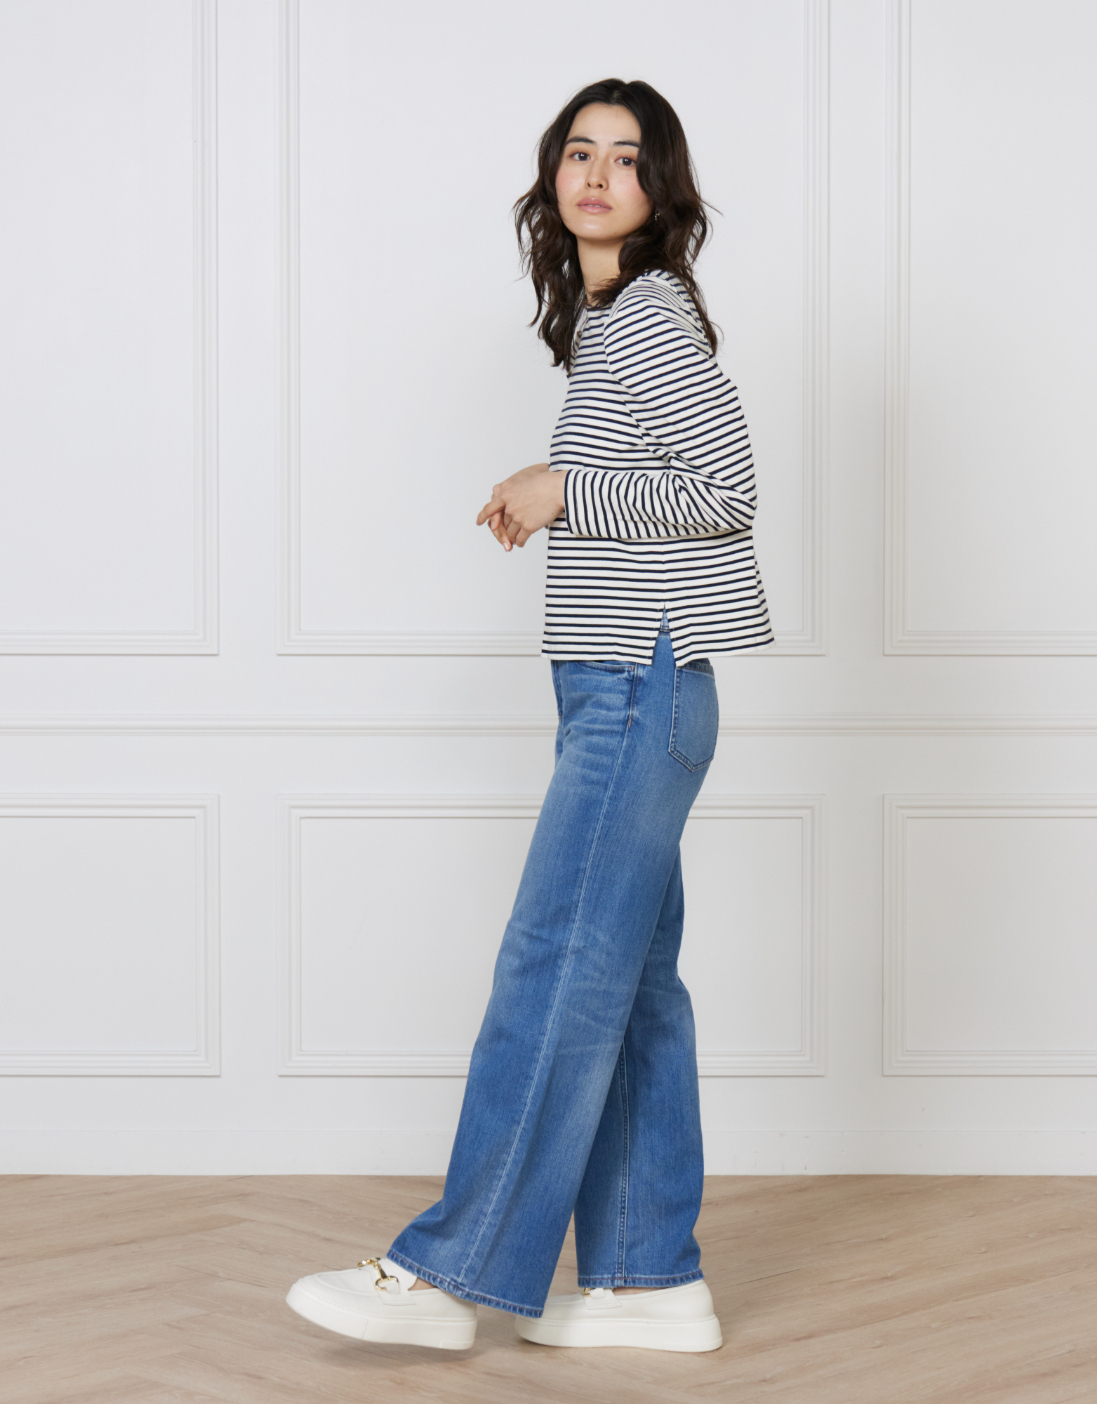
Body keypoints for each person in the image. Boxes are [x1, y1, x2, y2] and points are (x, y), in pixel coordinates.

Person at [287, 77, 773, 1354]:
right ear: (555, 177)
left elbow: (727, 490)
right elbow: (653, 485)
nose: (598, 174)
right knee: (634, 989)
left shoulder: (650, 315)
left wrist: (564, 487)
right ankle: (649, 1279)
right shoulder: (610, 322)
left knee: (554, 966)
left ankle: (450, 1273)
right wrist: (561, 489)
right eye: (579, 152)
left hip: (640, 687)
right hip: (629, 689)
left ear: (661, 188)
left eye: (627, 157)